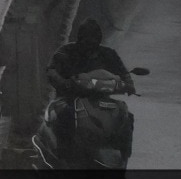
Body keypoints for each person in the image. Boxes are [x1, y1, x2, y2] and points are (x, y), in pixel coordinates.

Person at [46, 18, 136, 160]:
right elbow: (52, 71)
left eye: (94, 38)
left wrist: (129, 84)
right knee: (66, 115)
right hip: (71, 98)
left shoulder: (108, 54)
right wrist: (64, 83)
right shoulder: (66, 52)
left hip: (102, 99)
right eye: (87, 38)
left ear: (99, 39)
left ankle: (123, 156)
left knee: (126, 116)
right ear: (80, 38)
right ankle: (63, 156)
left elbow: (123, 72)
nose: (90, 42)